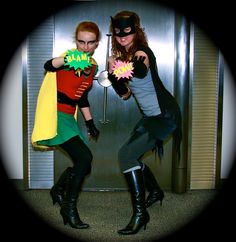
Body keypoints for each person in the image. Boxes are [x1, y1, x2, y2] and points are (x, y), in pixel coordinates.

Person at [107, 11, 182, 235]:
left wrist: (117, 69)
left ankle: (141, 214)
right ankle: (156, 191)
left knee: (126, 155)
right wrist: (112, 76)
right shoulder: (124, 57)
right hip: (150, 117)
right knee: (132, 154)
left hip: (165, 115)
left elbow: (139, 71)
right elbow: (125, 95)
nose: (122, 37)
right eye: (118, 33)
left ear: (136, 32)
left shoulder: (142, 52)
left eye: (127, 32)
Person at [31, 21, 101, 229]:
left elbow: (82, 97)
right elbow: (48, 65)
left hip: (69, 117)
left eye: (90, 43)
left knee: (84, 163)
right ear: (75, 41)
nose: (85, 47)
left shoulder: (93, 66)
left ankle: (58, 190)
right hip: (56, 115)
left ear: (97, 43)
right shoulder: (68, 57)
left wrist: (90, 123)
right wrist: (67, 59)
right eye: (81, 42)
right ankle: (68, 209)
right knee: (85, 158)